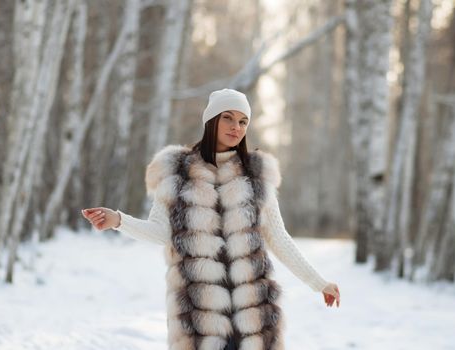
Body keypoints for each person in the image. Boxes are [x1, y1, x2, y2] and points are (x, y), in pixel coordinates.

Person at [82, 88, 340, 350]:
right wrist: (118, 220)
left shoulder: (255, 176)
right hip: (199, 315)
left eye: (243, 121)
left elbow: (278, 238)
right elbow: (161, 231)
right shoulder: (177, 173)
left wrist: (319, 283)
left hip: (252, 315)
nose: (236, 127)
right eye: (227, 117)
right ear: (211, 120)